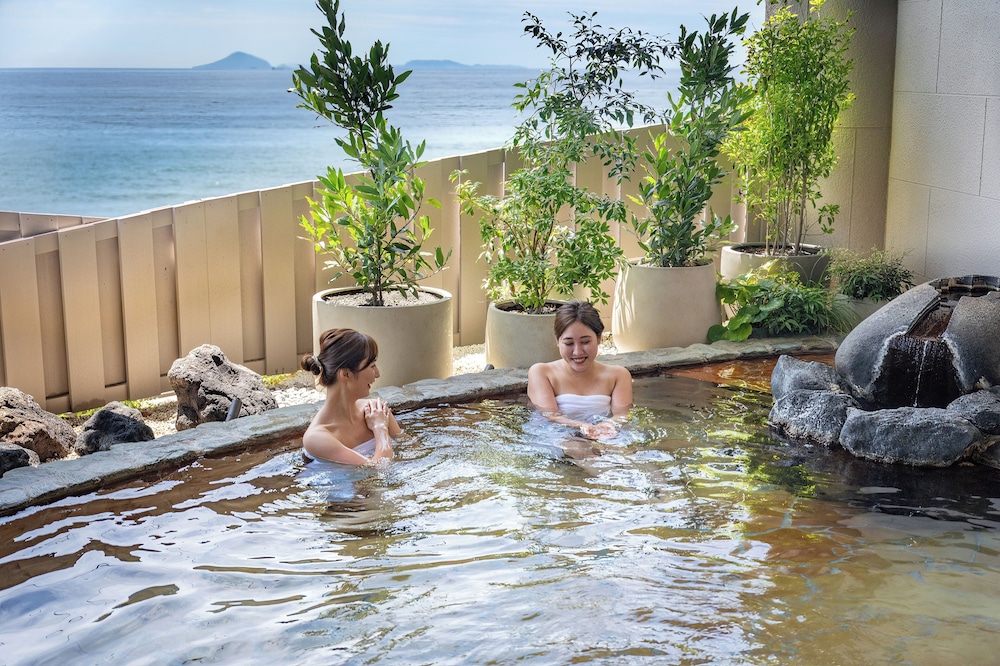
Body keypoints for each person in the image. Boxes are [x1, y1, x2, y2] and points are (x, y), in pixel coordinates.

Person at [527, 301, 633, 443]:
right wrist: (582, 426)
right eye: (569, 343)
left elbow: (622, 415)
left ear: (599, 338)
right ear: (558, 341)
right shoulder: (542, 373)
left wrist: (608, 424)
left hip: (606, 437)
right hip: (559, 437)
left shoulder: (618, 375)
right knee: (580, 449)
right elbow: (549, 416)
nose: (577, 352)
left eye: (585, 342)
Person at [299, 328, 401, 466]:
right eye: (372, 366)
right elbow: (379, 470)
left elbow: (414, 449)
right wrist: (380, 427)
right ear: (346, 374)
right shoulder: (317, 437)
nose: (377, 374)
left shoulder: (375, 410)